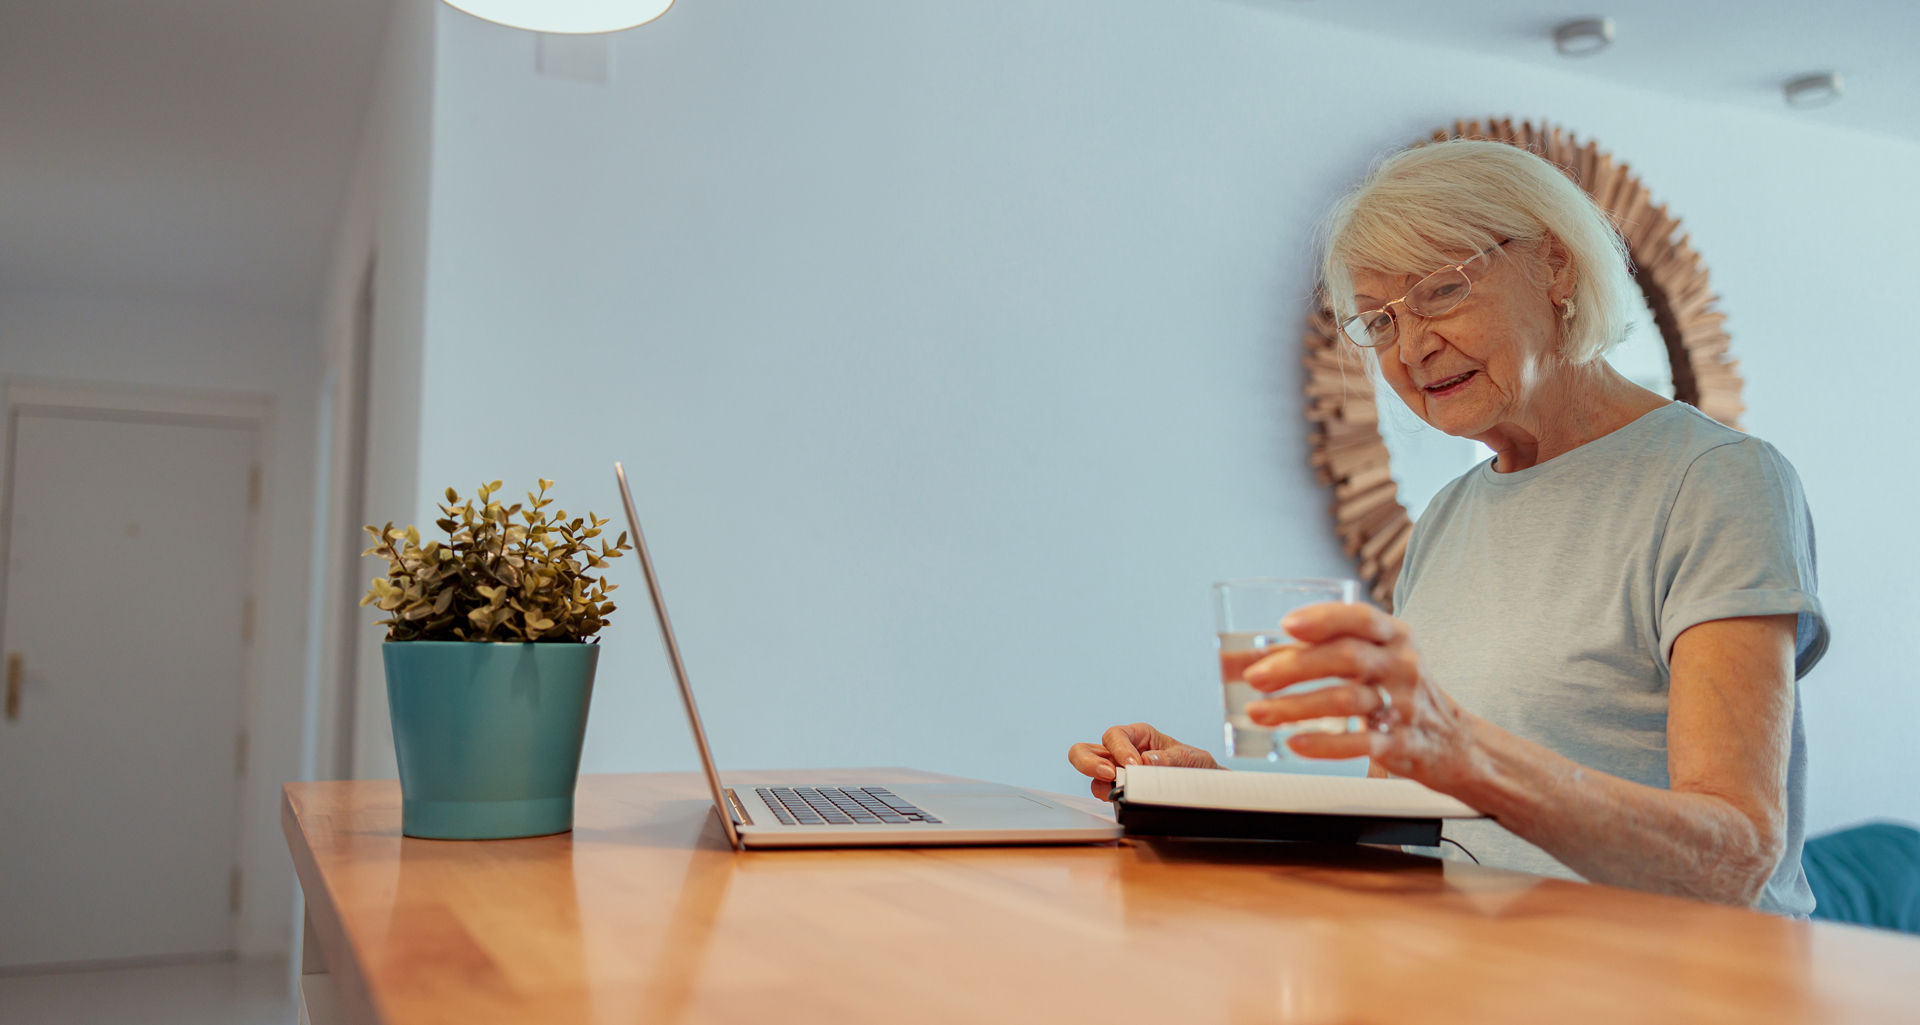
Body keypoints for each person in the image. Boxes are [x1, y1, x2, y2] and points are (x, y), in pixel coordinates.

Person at [1067, 139, 1828, 915]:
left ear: (1556, 267)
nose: (1412, 348)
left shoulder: (1718, 481)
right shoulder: (1449, 518)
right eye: (1379, 321)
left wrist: (1465, 753)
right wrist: (1208, 801)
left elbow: (1736, 853)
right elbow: (1396, 833)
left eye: (1439, 291)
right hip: (1492, 968)